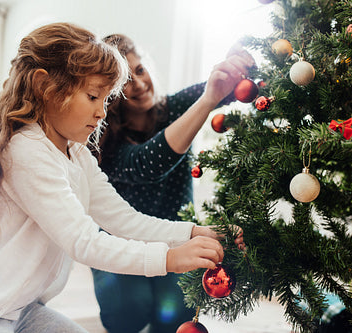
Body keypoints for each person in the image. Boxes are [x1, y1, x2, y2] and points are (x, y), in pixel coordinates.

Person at [0, 22, 244, 333]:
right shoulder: (26, 150)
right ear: (45, 88)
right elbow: (84, 242)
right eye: (93, 97)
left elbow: (123, 219)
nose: (102, 112)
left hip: (22, 308)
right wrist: (170, 258)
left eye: (105, 100)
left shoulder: (76, 153)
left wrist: (195, 232)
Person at [91, 34, 254, 333]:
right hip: (123, 243)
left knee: (174, 318)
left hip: (178, 237)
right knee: (127, 315)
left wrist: (234, 67)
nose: (139, 84)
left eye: (139, 70)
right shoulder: (104, 141)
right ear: (108, 93)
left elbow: (226, 90)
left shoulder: (174, 106)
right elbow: (148, 164)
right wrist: (207, 99)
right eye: (125, 80)